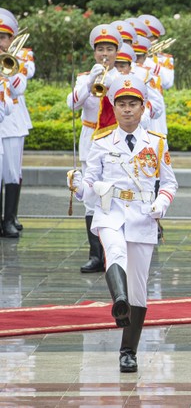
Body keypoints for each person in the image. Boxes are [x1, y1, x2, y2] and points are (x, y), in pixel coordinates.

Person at [67, 74, 177, 373]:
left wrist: (161, 203)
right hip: (110, 210)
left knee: (140, 287)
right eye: (121, 104)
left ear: (143, 108)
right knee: (113, 252)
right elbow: (90, 185)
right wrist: (78, 186)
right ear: (113, 108)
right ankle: (119, 301)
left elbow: (169, 183)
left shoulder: (155, 143)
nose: (127, 109)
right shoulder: (101, 142)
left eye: (133, 104)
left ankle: (128, 350)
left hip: (143, 214)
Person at [66, 24, 123, 269]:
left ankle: (114, 252)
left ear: (116, 52)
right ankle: (95, 255)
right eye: (100, 49)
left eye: (109, 49)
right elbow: (72, 105)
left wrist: (110, 80)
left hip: (113, 138)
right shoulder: (84, 78)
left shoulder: (121, 78)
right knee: (91, 196)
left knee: (112, 194)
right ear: (94, 53)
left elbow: (125, 105)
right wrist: (90, 81)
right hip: (91, 137)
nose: (105, 54)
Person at [0, 8, 29, 238]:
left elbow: (19, 87)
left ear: (11, 40)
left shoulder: (21, 59)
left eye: (3, 37)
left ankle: (9, 218)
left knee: (11, 171)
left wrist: (7, 71)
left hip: (11, 122)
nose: (0, 41)